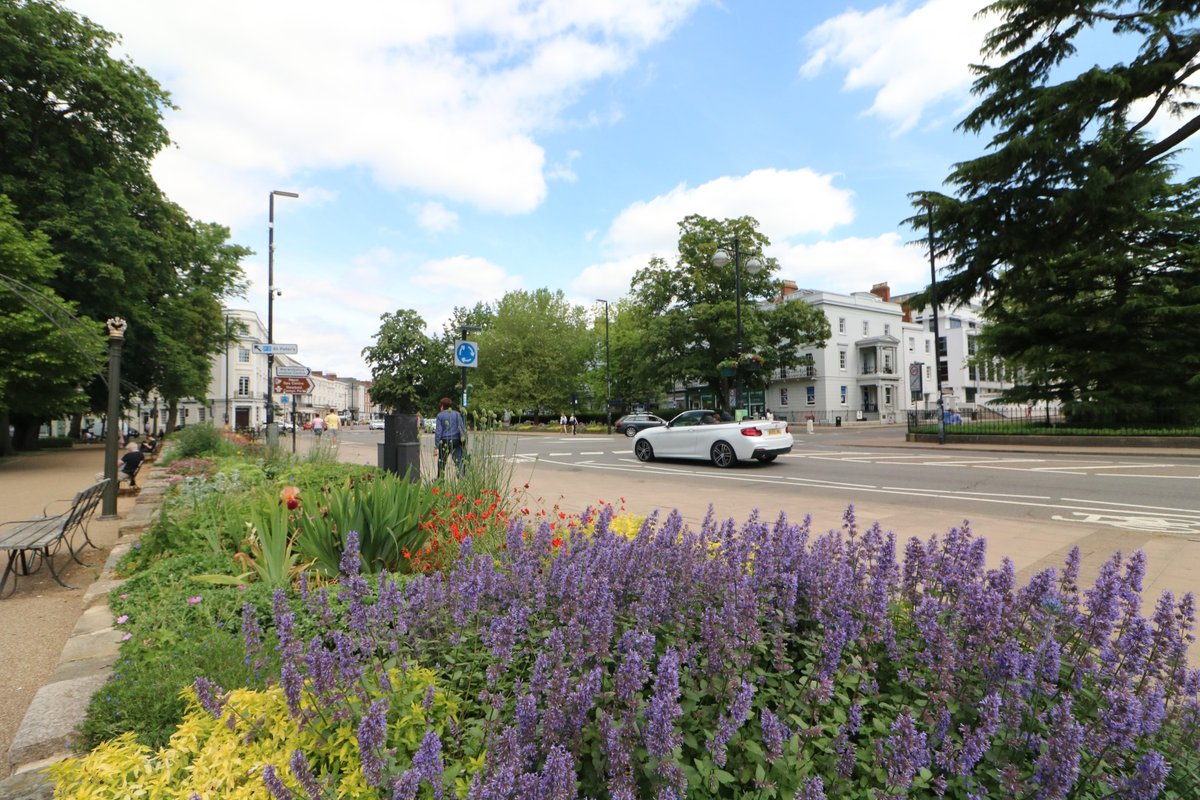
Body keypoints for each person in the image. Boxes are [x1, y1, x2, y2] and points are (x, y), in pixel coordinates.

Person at [435, 396, 467, 477]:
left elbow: (438, 432)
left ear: (442, 406)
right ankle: (462, 479)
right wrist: (464, 441)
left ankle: (440, 480)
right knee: (459, 461)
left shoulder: (440, 415)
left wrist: (436, 445)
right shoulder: (457, 414)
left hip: (444, 441)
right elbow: (462, 428)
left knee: (441, 462)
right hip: (456, 441)